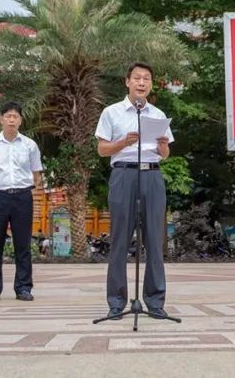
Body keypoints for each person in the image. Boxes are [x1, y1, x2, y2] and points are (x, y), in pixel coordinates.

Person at [96, 62, 173, 320]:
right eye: (137, 78)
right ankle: (116, 302)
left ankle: (155, 300)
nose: (142, 83)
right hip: (123, 173)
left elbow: (166, 153)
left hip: (151, 173)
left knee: (154, 239)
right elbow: (102, 149)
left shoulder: (158, 114)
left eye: (147, 79)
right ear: (127, 81)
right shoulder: (111, 112)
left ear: (151, 84)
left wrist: (162, 147)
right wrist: (123, 143)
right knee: (119, 239)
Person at [0, 101, 44, 302]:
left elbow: (36, 172)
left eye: (15, 117)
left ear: (20, 120)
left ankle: (23, 287)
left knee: (22, 245)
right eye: (8, 116)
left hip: (23, 197)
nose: (11, 120)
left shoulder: (30, 145)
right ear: (1, 119)